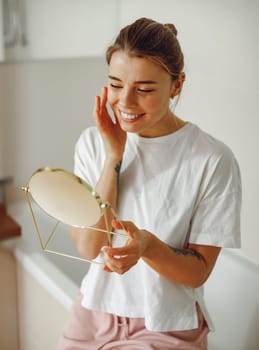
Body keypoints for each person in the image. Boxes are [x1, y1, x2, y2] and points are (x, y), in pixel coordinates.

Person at [57, 17, 241, 350]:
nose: (125, 101)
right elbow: (87, 247)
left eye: (144, 89)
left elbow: (198, 272)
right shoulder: (92, 143)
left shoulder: (211, 160)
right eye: (115, 84)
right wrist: (113, 156)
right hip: (92, 315)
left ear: (177, 85)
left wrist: (147, 246)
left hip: (165, 323)